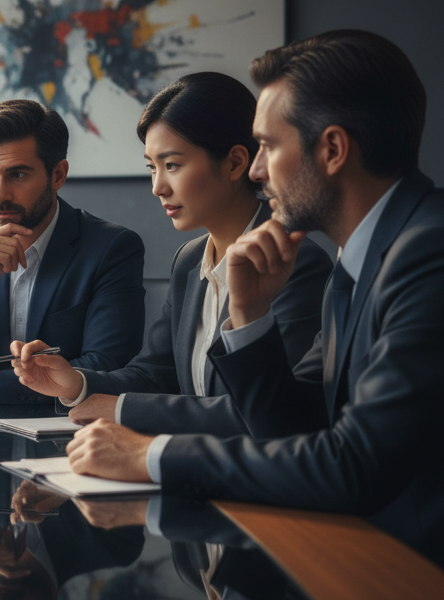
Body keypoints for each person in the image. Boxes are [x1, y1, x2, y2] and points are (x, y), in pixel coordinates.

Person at [60, 30, 444, 567]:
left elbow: (353, 465)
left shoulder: (427, 255)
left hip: (410, 586)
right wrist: (250, 315)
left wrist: (153, 454)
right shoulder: (359, 258)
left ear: (333, 150)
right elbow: (293, 428)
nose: (258, 171)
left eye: (269, 146)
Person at [12, 73, 331, 434]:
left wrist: (123, 410)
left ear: (235, 163)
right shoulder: (190, 260)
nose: (158, 187)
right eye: (152, 167)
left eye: (172, 165)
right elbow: (154, 374)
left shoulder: (294, 263)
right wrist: (76, 383)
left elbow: (271, 412)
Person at [0, 99, 146, 404]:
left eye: (17, 175)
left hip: (76, 430)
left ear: (58, 175)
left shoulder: (111, 248)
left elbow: (107, 369)